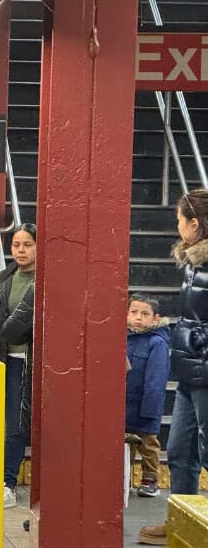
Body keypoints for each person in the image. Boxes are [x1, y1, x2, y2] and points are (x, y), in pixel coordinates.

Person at [139, 189, 208, 545]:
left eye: (179, 220)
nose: (176, 226)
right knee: (180, 451)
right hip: (188, 371)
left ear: (194, 224)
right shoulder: (194, 263)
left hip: (204, 372)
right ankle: (182, 519)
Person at [0, 223, 37, 509]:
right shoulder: (4, 279)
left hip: (30, 363)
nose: (21, 250)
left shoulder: (44, 280)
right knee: (3, 422)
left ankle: (8, 482)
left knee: (16, 424)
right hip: (5, 361)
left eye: (27, 244)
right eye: (16, 245)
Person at [124, 293, 170, 500]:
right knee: (126, 443)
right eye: (133, 312)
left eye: (145, 314)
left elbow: (156, 378)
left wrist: (150, 407)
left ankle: (150, 479)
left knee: (148, 444)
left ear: (155, 318)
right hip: (125, 403)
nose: (138, 318)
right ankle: (124, 478)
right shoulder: (124, 339)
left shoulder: (157, 343)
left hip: (146, 404)